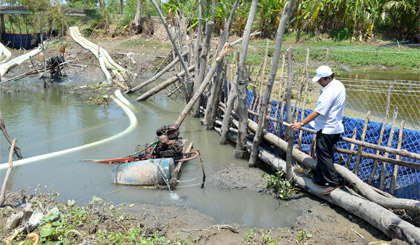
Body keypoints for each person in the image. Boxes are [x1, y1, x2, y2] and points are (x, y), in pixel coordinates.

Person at [291, 65, 346, 195]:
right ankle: (319, 179)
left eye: (320, 80)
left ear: (327, 78)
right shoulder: (337, 85)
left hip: (328, 128)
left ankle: (333, 182)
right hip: (332, 126)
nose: (319, 83)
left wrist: (301, 123)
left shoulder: (330, 91)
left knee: (324, 155)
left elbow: (318, 111)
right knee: (322, 153)